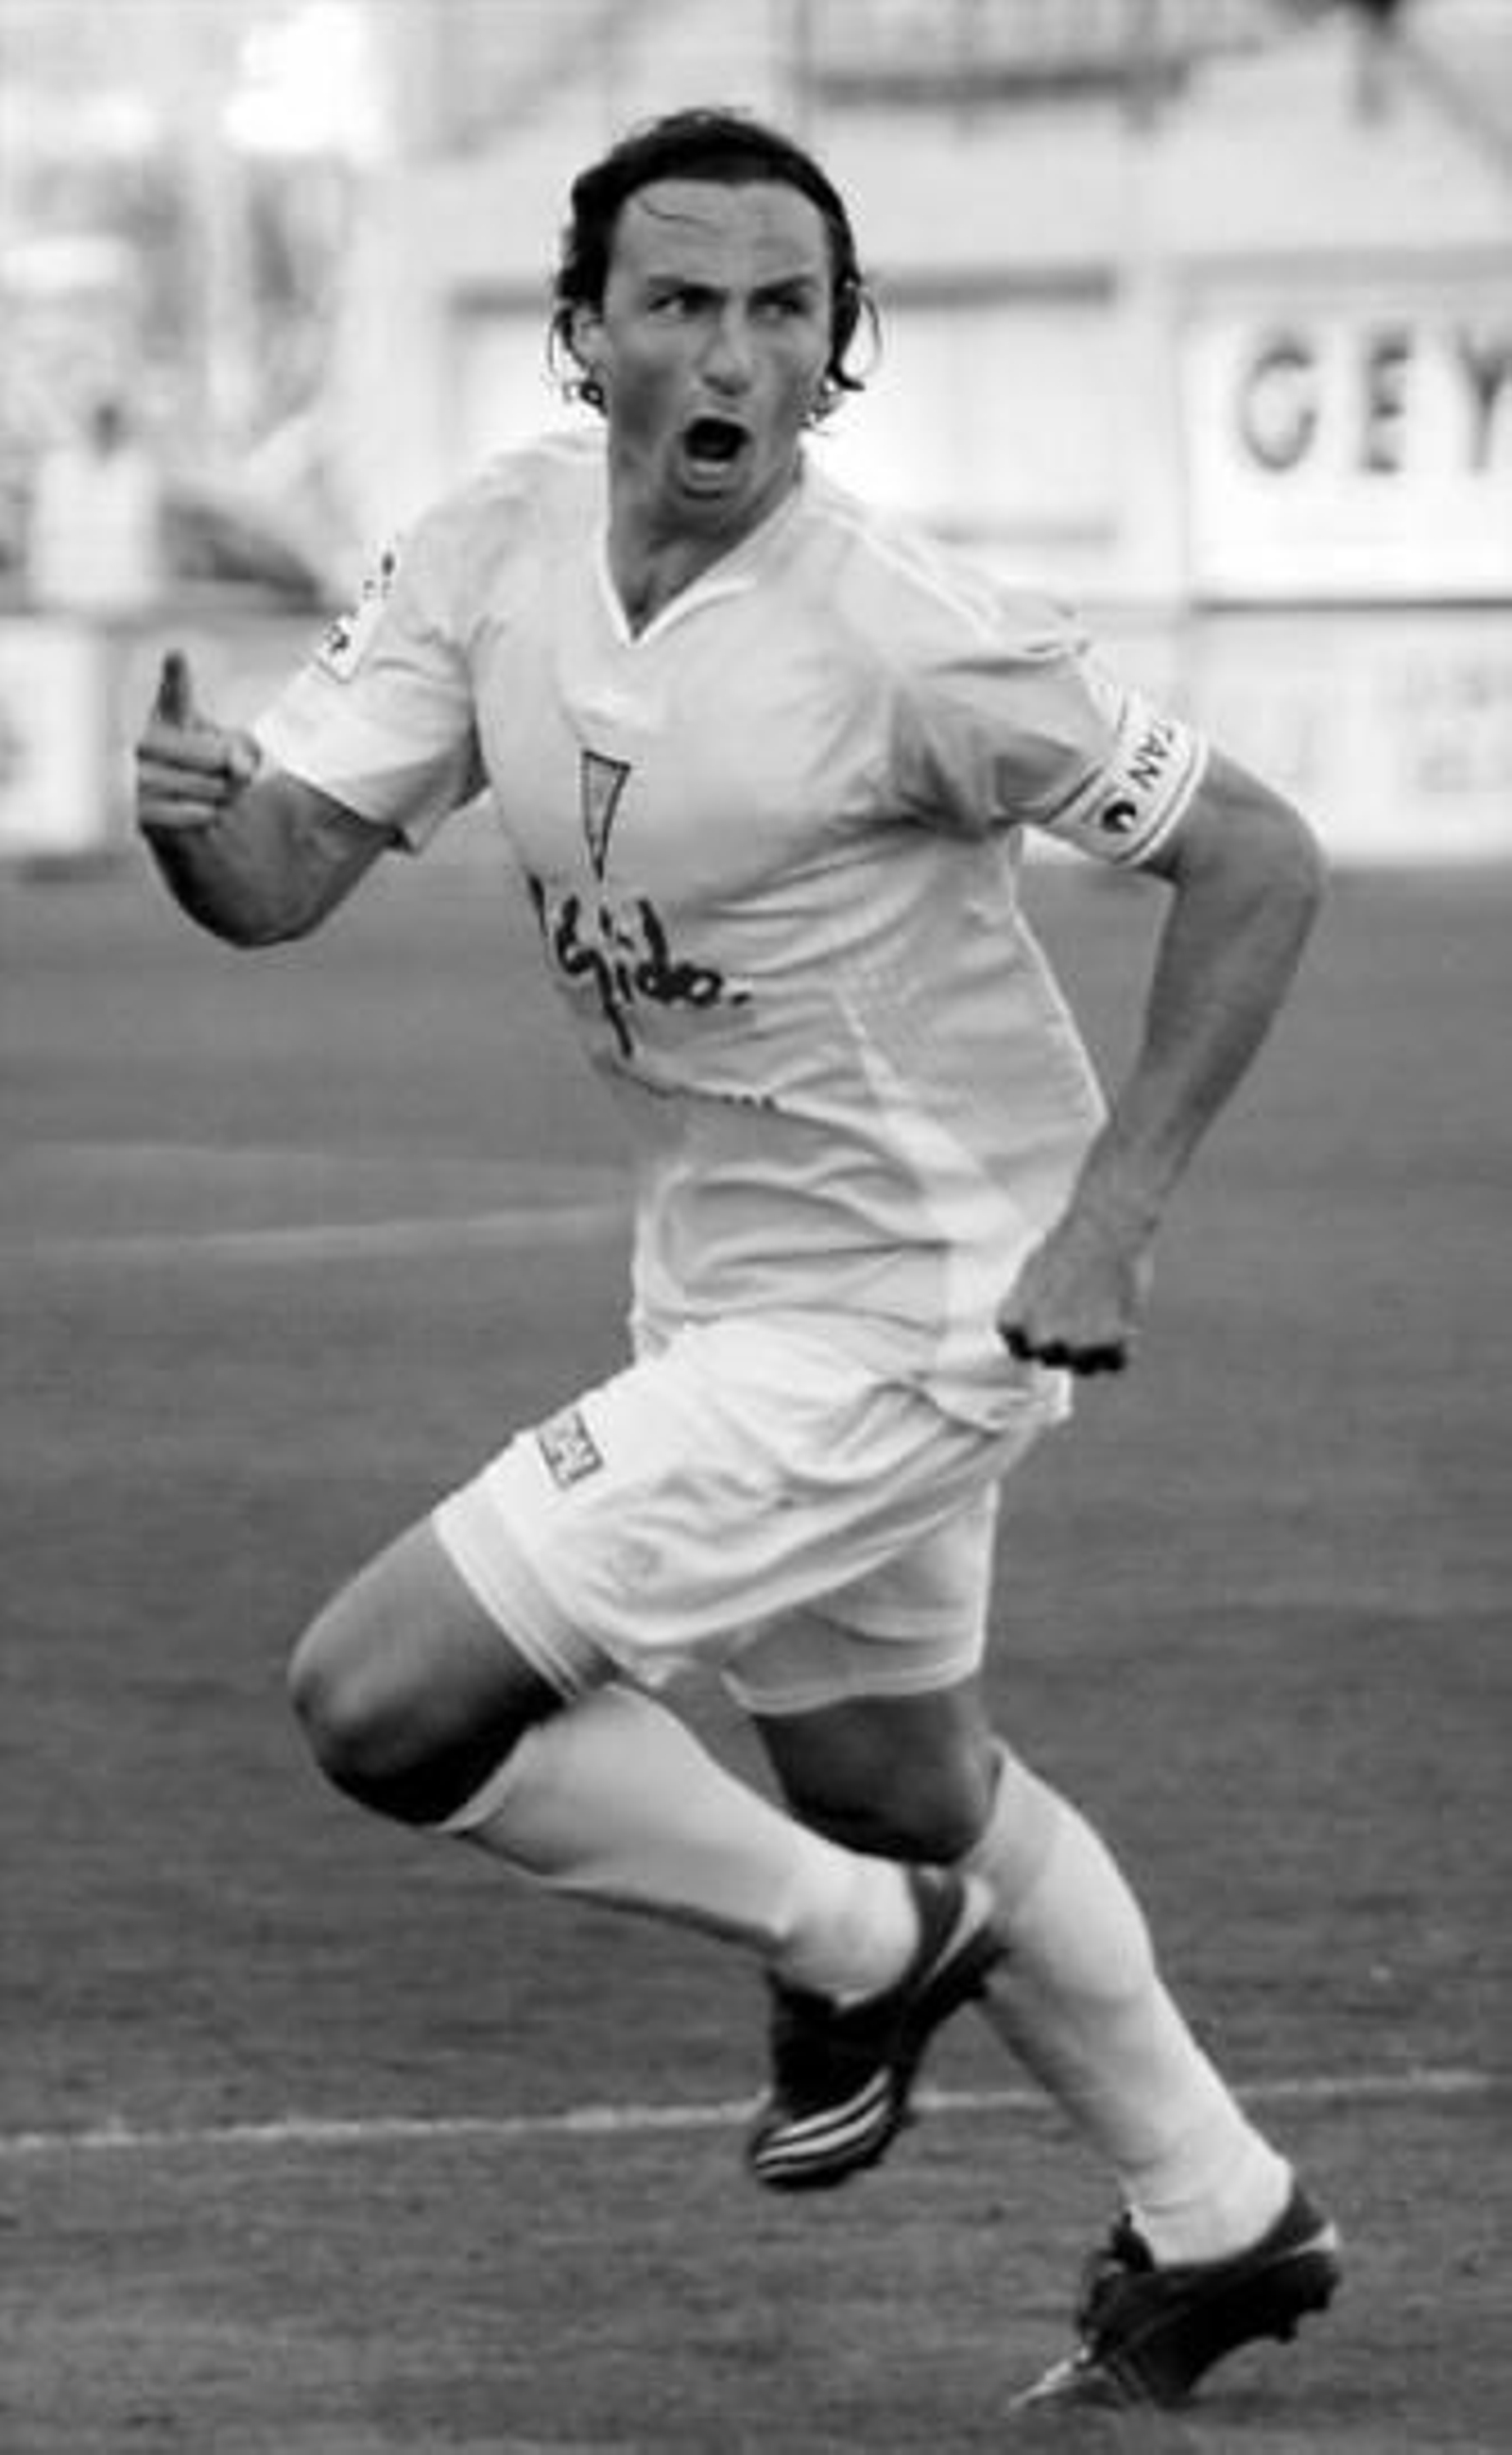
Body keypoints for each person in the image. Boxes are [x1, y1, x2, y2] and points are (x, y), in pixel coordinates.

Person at [134, 106, 1339, 2412]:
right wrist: (197, 831)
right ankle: (1219, 2213)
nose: (732, 350)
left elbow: (1259, 860)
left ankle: (858, 1951)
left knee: (379, 1697)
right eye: (679, 301)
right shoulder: (493, 546)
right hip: (731, 1290)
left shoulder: (909, 635)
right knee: (897, 1767)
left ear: (833, 352)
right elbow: (288, 870)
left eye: (783, 309)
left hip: (927, 1302)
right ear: (584, 337)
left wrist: (1113, 1217)